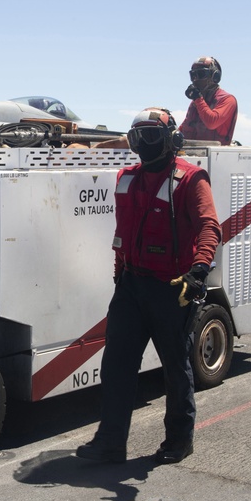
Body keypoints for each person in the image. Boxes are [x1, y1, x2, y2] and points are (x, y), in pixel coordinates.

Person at [76, 107, 221, 464]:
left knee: (175, 367)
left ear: (171, 139)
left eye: (151, 137)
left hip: (171, 288)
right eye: (137, 137)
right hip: (130, 286)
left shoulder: (190, 178)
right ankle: (110, 442)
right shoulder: (126, 178)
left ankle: (179, 440)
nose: (143, 145)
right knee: (116, 366)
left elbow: (209, 227)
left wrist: (199, 270)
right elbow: (122, 235)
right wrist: (119, 276)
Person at [177, 56, 238, 145]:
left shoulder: (227, 100)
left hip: (215, 156)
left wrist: (198, 99)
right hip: (191, 153)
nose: (196, 79)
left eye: (201, 74)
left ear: (215, 77)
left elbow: (211, 123)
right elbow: (185, 127)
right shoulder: (197, 102)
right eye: (193, 75)